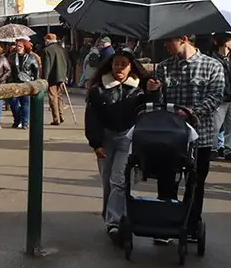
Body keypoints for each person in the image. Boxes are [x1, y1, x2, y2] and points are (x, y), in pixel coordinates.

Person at [150, 33, 225, 242]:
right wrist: (154, 91)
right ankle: (165, 226)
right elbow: (159, 101)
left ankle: (190, 225)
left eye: (169, 41)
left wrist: (192, 112)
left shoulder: (212, 66)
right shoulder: (164, 67)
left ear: (183, 39)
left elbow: (216, 96)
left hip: (201, 135)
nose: (166, 46)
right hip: (170, 135)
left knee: (195, 182)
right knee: (166, 179)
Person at [85, 49, 158, 247]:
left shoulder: (139, 90)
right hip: (106, 138)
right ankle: (110, 215)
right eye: (116, 63)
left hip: (128, 137)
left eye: (124, 64)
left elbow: (151, 108)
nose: (119, 68)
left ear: (131, 67)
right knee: (107, 182)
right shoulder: (98, 89)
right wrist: (96, 143)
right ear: (111, 65)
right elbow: (92, 118)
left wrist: (154, 90)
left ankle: (114, 223)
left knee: (119, 180)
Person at [8, 40, 40, 129]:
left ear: (25, 47)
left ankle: (25, 122)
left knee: (25, 104)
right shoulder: (12, 57)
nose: (18, 48)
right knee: (13, 103)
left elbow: (36, 70)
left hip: (27, 84)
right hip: (14, 83)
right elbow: (8, 69)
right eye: (17, 46)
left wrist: (35, 83)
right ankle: (17, 119)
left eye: (20, 46)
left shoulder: (31, 57)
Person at [42, 33, 70, 125]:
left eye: (45, 40)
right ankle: (61, 115)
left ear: (48, 40)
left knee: (53, 98)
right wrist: (66, 75)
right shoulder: (63, 49)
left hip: (52, 77)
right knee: (58, 96)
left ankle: (56, 118)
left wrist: (45, 80)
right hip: (61, 76)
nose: (45, 42)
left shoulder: (46, 50)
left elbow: (47, 67)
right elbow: (68, 63)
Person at [211, 34, 231, 159]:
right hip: (220, 97)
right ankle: (212, 149)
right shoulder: (213, 59)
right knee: (215, 125)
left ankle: (228, 149)